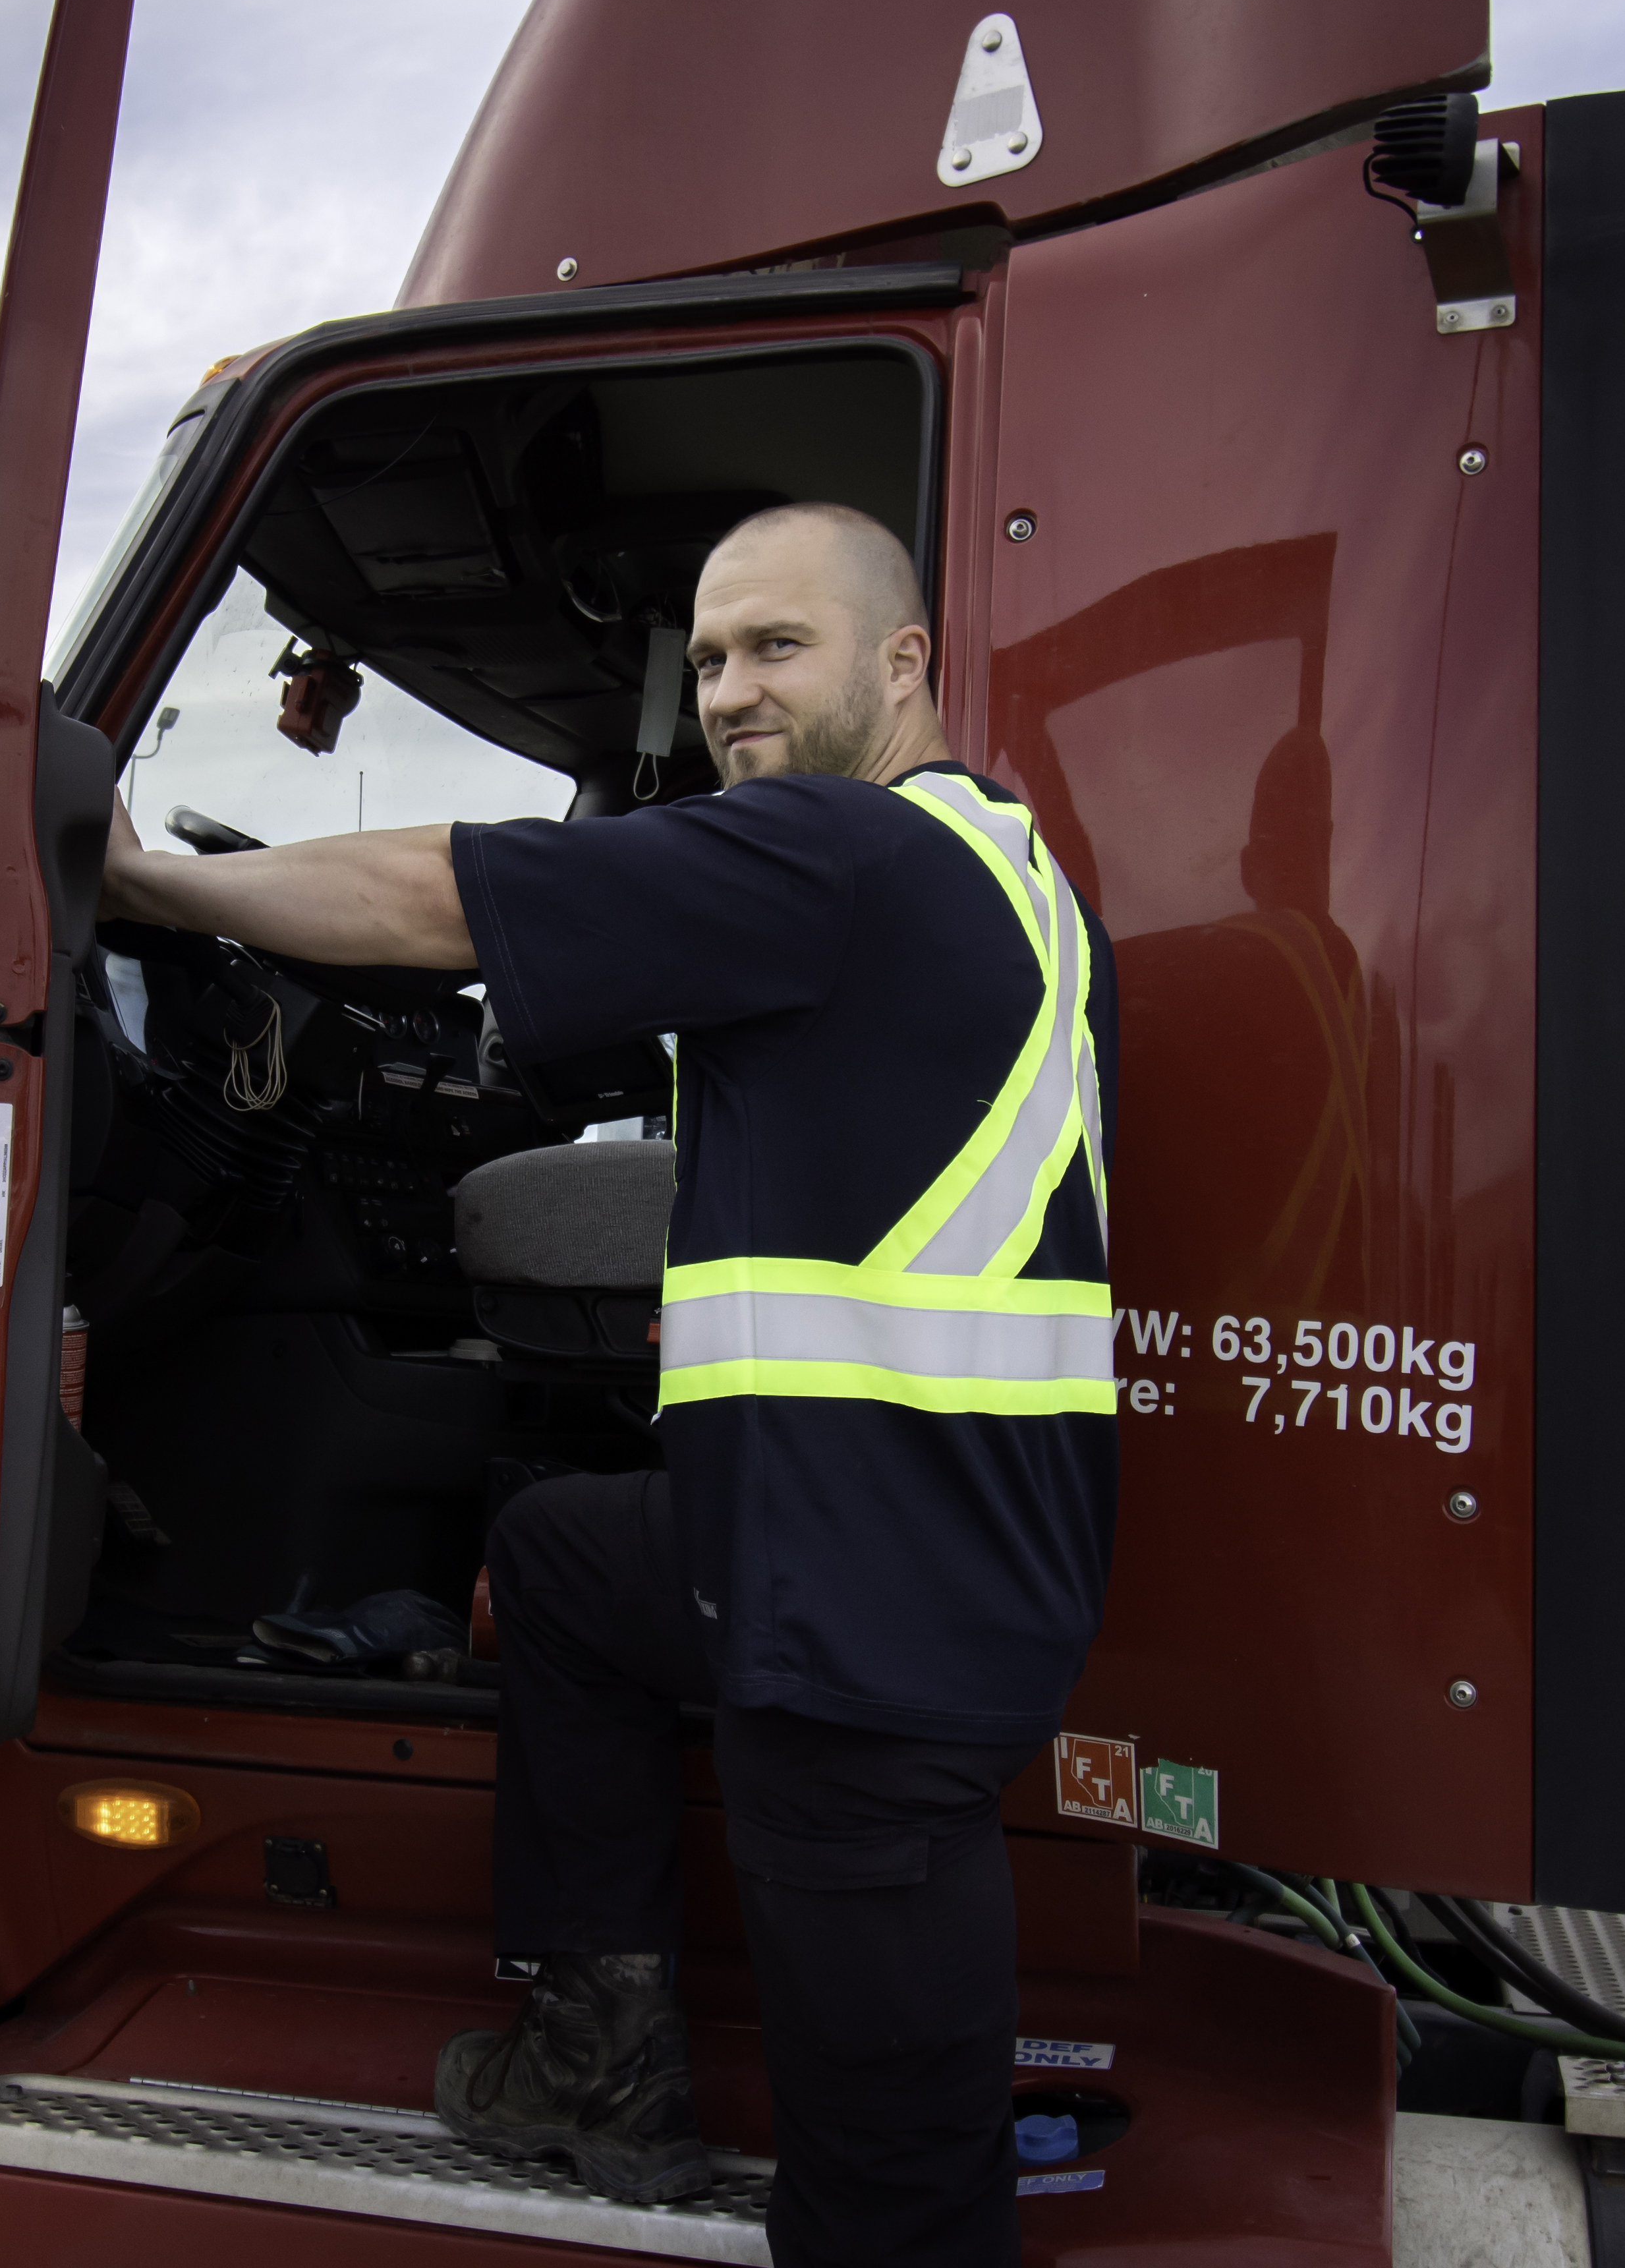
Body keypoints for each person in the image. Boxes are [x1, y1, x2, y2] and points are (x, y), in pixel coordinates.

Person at [98, 501, 1117, 2267]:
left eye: (776, 647)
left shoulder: (836, 856)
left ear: (905, 662)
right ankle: (603, 2054)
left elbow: (438, 897)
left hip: (866, 1631)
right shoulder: (996, 866)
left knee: (892, 2191)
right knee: (566, 1559)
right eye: (712, 657)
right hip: (892, 1547)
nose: (730, 691)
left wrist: (144, 887)